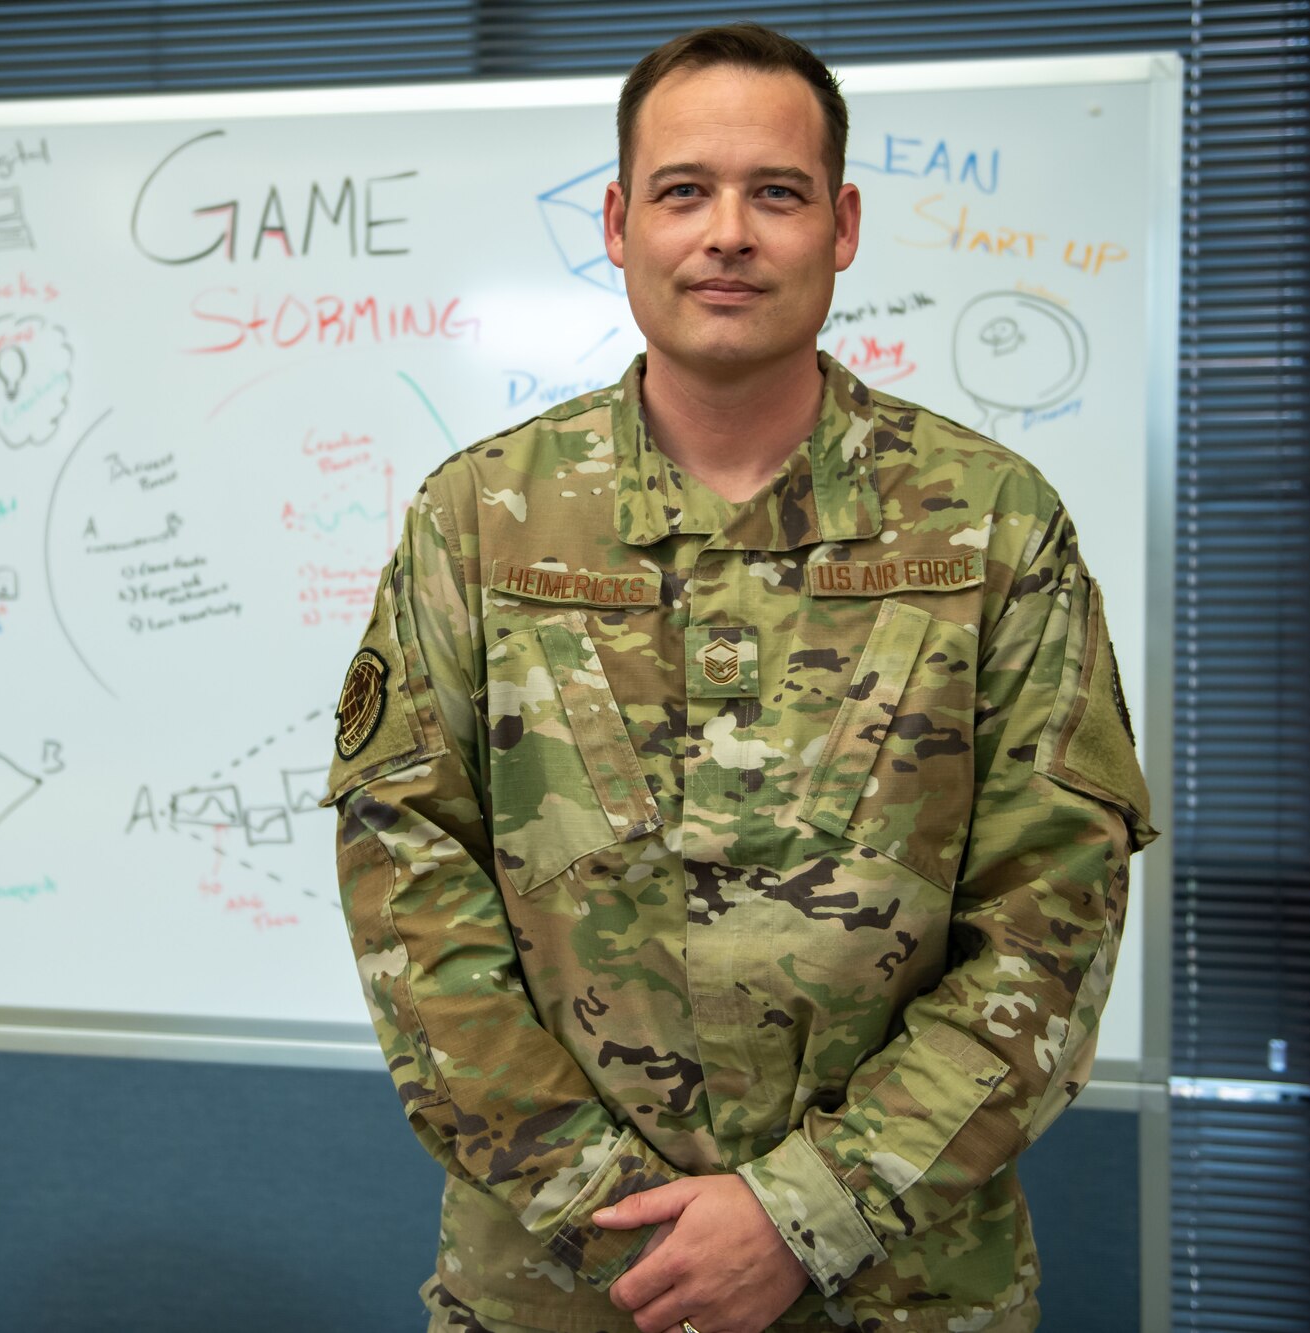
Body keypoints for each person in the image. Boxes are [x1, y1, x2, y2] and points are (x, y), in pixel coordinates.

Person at [323, 22, 1155, 1333]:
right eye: (682, 191)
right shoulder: (477, 521)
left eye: (777, 192)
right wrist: (622, 1217)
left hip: (899, 1289)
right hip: (567, 1289)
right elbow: (410, 895)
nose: (728, 235)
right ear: (617, 225)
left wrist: (806, 1213)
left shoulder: (993, 523)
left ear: (842, 226)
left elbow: (1054, 917)